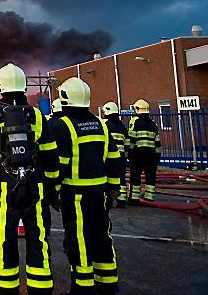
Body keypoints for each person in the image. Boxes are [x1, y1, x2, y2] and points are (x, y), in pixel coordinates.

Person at [0, 64, 60, 295]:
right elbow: (51, 156)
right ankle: (40, 288)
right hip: (35, 187)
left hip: (5, 186)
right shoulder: (37, 115)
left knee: (5, 238)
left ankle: (6, 288)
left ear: (0, 86)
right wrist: (52, 190)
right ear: (24, 86)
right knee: (38, 238)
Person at [51, 77, 122, 294]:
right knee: (102, 235)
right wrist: (114, 189)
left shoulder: (64, 126)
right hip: (100, 192)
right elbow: (114, 158)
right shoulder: (101, 124)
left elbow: (60, 164)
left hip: (76, 194)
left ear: (65, 99)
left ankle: (83, 285)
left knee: (79, 238)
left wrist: (53, 192)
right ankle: (108, 282)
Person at [127, 98, 160, 204]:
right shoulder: (153, 124)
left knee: (135, 176)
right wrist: (157, 155)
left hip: (138, 154)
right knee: (150, 176)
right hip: (151, 154)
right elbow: (157, 141)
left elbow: (131, 139)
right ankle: (150, 197)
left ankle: (134, 198)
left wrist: (129, 153)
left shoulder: (134, 122)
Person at [101, 102, 129, 209]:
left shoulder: (104, 124)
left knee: (108, 177)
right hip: (121, 157)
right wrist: (125, 156)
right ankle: (121, 200)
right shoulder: (121, 126)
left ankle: (108, 199)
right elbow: (127, 143)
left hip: (108, 157)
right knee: (121, 177)